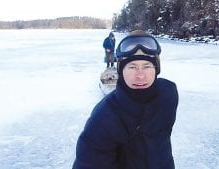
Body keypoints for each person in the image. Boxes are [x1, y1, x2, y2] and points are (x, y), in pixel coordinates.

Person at [73, 30, 179, 169]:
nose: (140, 76)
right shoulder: (103, 118)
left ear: (156, 69)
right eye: (132, 67)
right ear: (121, 71)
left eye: (147, 66)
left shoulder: (167, 95)